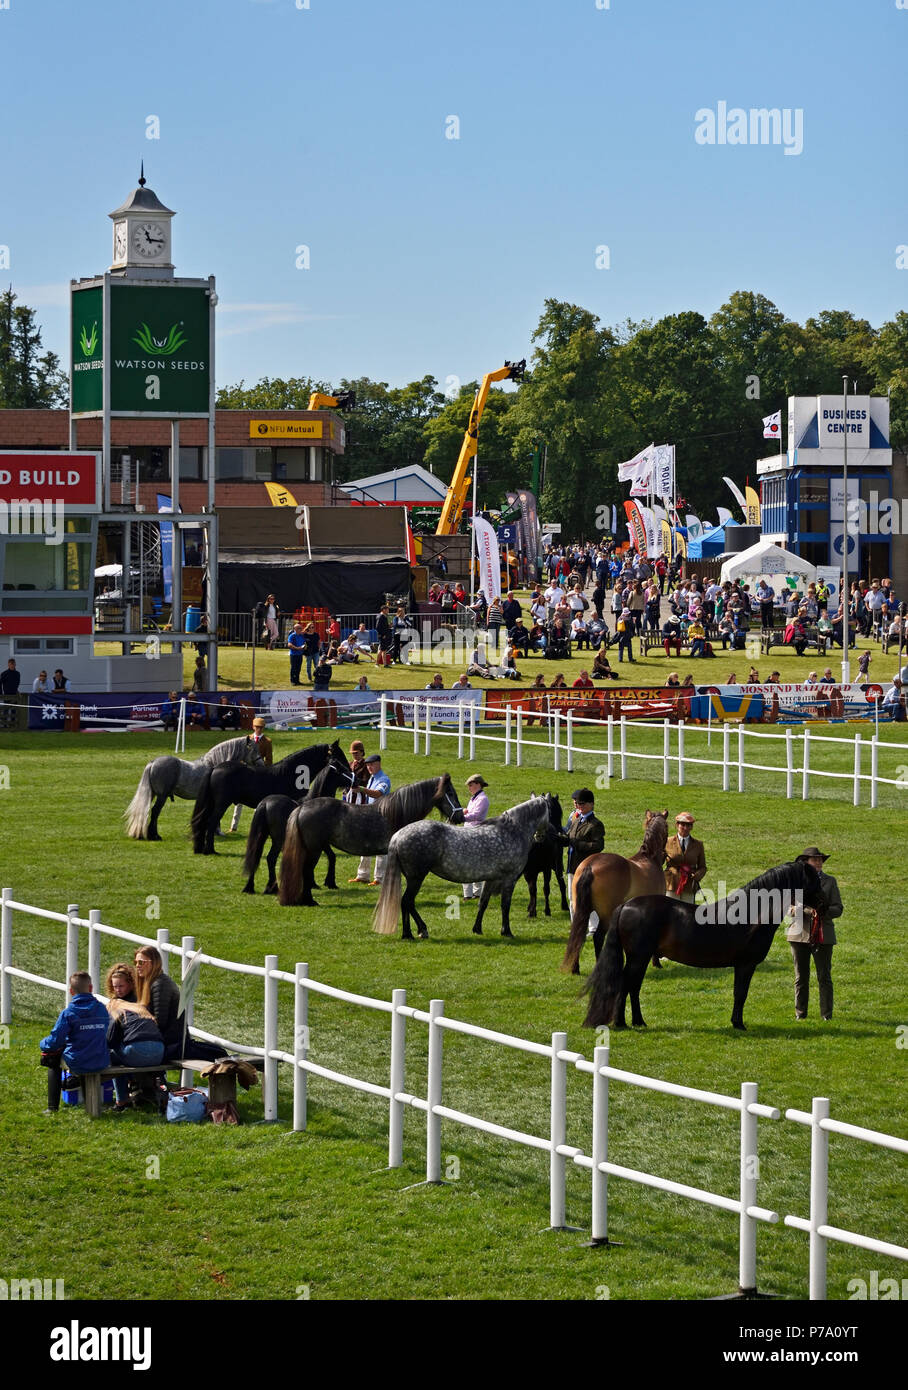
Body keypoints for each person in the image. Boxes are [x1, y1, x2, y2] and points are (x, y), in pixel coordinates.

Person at [39, 970, 110, 1114]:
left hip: (79, 1061)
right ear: (90, 988)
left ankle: (52, 1108)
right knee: (85, 1051)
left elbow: (54, 1042)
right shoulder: (102, 1009)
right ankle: (88, 1102)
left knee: (52, 1059)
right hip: (101, 1059)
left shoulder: (68, 1013)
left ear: (71, 991)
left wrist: (42, 1043)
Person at [788, 847, 843, 1021]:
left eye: (820, 859)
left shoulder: (830, 881)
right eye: (814, 859)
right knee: (800, 977)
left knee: (824, 977)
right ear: (805, 862)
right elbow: (789, 909)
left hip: (823, 934)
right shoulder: (796, 882)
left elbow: (838, 908)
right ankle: (800, 1013)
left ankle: (826, 1015)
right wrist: (807, 911)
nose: (818, 862)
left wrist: (823, 911)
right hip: (799, 934)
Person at [105, 963, 165, 1111]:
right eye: (115, 987)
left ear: (131, 984)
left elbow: (111, 1039)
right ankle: (155, 1091)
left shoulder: (117, 1005)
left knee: (113, 1056)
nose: (117, 990)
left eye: (121, 986)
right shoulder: (143, 1003)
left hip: (136, 1051)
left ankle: (121, 1102)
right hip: (159, 1052)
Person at [350, 753, 391, 884]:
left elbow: (378, 793)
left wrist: (362, 789)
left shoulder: (384, 780)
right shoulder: (372, 779)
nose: (369, 767)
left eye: (372, 765)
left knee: (380, 848)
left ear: (379, 763)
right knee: (366, 845)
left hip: (381, 817)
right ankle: (363, 875)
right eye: (367, 765)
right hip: (370, 816)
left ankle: (379, 878)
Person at [559, 789, 605, 901]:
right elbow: (569, 837)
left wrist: (578, 844)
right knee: (572, 899)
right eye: (579, 803)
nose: (580, 806)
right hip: (572, 866)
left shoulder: (596, 824)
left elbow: (598, 846)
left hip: (586, 868)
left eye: (583, 803)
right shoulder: (576, 820)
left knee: (585, 900)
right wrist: (560, 839)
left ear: (592, 804)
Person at [228, 715, 273, 833]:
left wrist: (266, 772)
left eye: (260, 727)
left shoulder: (267, 742)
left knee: (258, 800)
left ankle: (257, 827)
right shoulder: (246, 739)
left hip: (259, 772)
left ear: (263, 728)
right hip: (245, 772)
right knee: (239, 800)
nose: (258, 729)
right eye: (256, 727)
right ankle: (233, 827)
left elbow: (269, 759)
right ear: (253, 727)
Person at [664, 813, 706, 903]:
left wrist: (698, 875)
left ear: (692, 827)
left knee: (687, 914)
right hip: (671, 884)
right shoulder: (667, 842)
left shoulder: (698, 845)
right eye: (682, 825)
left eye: (689, 825)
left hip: (689, 885)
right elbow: (659, 861)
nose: (685, 828)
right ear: (677, 825)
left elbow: (703, 867)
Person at [461, 774, 490, 900]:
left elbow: (476, 815)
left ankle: (472, 893)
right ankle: (473, 893)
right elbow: (471, 813)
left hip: (475, 833)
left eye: (471, 785)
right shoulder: (474, 798)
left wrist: (461, 816)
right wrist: (465, 811)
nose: (469, 788)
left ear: (478, 784)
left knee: (468, 863)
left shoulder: (482, 799)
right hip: (469, 832)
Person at [343, 739, 370, 805]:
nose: (354, 755)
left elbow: (365, 781)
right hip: (347, 793)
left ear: (362, 752)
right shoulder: (349, 764)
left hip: (360, 795)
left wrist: (353, 782)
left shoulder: (366, 764)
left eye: (356, 753)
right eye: (353, 753)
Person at [288, 621, 307, 685]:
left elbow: (304, 643)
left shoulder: (302, 636)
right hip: (293, 654)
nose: (301, 630)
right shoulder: (292, 636)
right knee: (294, 668)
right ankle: (293, 681)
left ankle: (297, 680)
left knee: (298, 668)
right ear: (295, 629)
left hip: (300, 654)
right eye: (299, 628)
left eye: (301, 628)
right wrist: (297, 648)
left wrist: (304, 647)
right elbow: (289, 645)